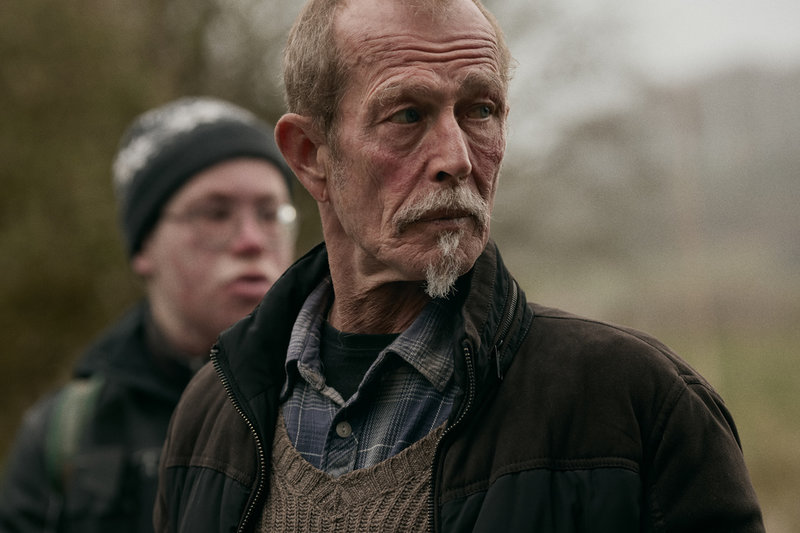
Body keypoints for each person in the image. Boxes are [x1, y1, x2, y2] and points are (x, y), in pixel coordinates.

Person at [154, 1, 765, 532]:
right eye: (407, 115)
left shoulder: (638, 405)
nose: (457, 157)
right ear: (311, 155)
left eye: (480, 111)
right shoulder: (212, 414)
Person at [0, 97, 296, 533]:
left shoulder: (349, 400)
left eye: (270, 213)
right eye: (216, 214)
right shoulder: (68, 435)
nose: (252, 240)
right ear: (144, 247)